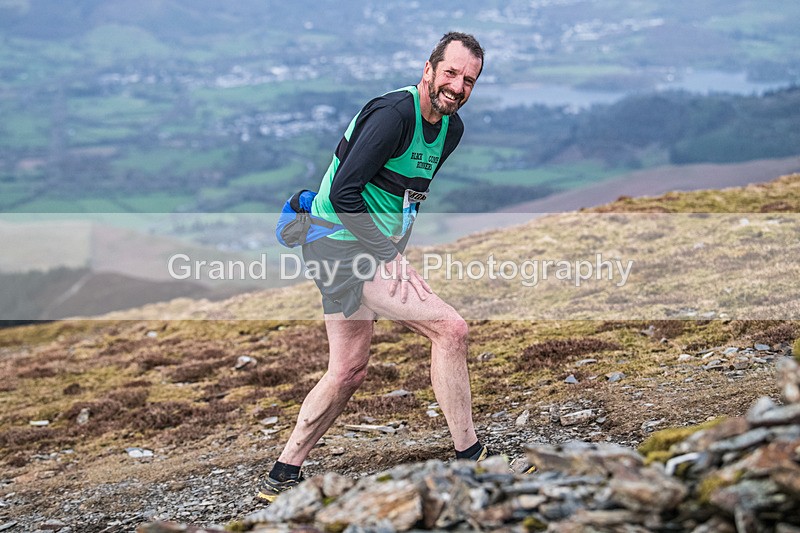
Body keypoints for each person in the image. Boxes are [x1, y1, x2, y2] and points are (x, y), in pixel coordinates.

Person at [258, 32, 491, 503]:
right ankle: (474, 461)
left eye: (468, 80)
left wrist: (394, 246)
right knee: (451, 330)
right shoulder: (393, 116)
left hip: (355, 246)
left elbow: (404, 198)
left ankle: (283, 473)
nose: (457, 86)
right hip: (340, 245)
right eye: (450, 73)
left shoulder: (452, 129)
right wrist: (390, 257)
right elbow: (345, 193)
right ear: (428, 69)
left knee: (348, 369)